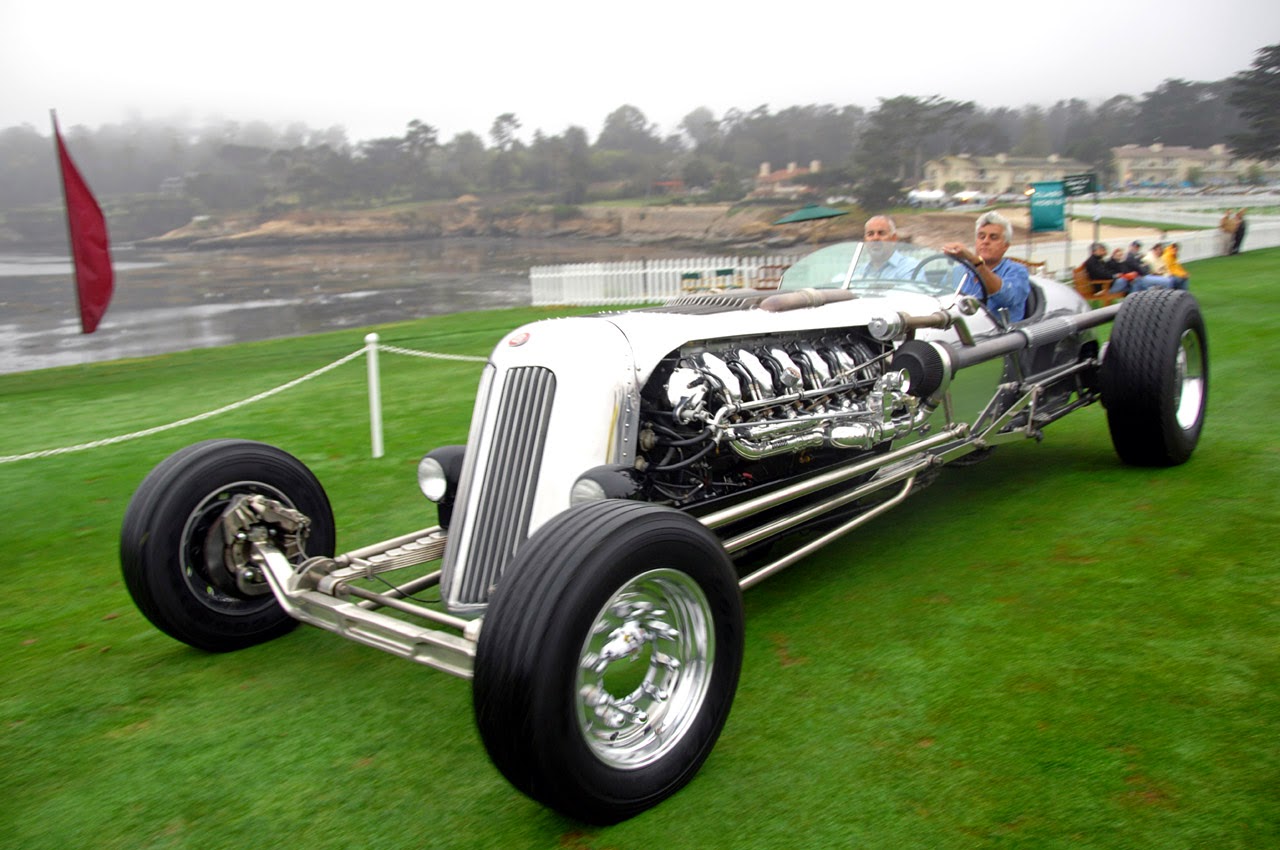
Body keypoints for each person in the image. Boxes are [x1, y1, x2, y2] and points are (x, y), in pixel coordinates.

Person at [942, 211, 1030, 321]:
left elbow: (1006, 297)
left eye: (993, 237)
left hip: (998, 334)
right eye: (981, 236)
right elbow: (941, 302)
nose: (985, 241)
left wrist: (974, 260)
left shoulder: (1017, 271)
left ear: (1005, 246)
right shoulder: (958, 272)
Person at [854, 215, 917, 279]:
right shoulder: (858, 271)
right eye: (870, 234)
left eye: (881, 233)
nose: (875, 238)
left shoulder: (910, 267)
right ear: (865, 240)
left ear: (893, 239)